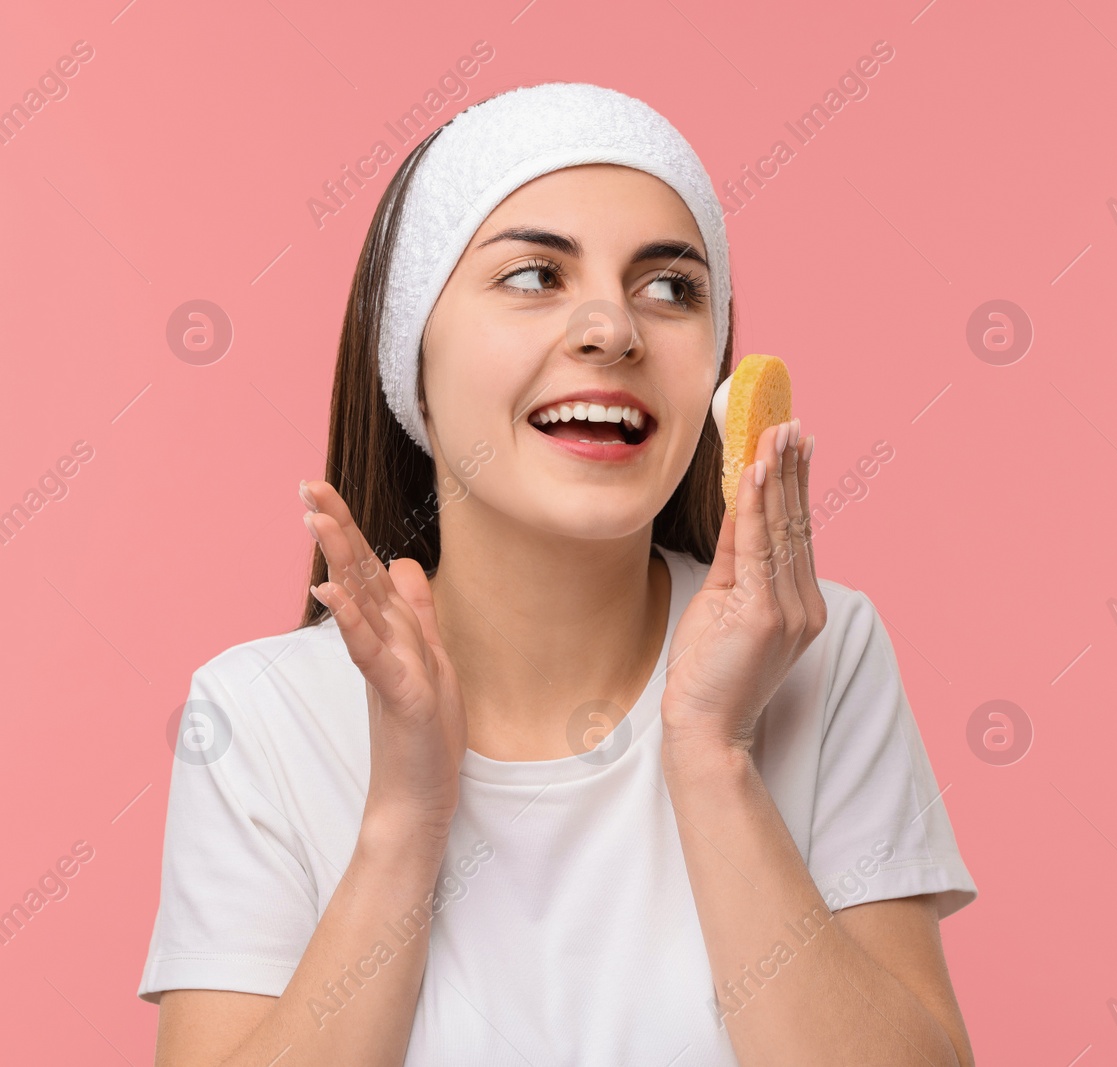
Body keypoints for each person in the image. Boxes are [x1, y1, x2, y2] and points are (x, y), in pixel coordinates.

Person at [138, 82, 977, 1066]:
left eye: (670, 288)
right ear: (412, 345)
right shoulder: (259, 714)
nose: (613, 329)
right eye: (535, 275)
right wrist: (408, 813)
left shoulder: (819, 651)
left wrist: (712, 752)